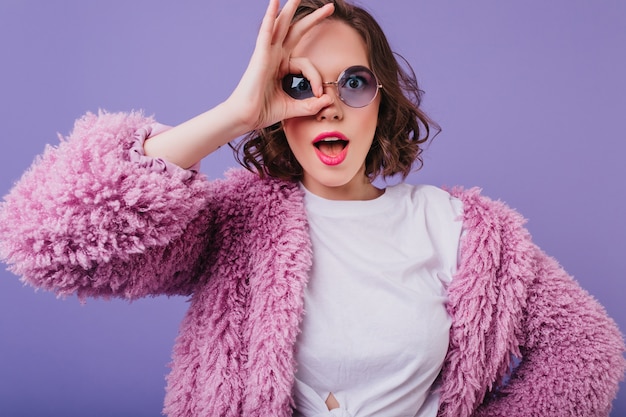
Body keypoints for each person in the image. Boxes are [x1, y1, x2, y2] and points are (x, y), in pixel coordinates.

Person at [0, 0, 624, 416]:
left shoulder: (463, 229)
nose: (327, 104)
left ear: (381, 101)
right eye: (299, 84)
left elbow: (588, 349)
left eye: (353, 81)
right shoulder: (234, 223)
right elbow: (44, 241)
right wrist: (233, 115)